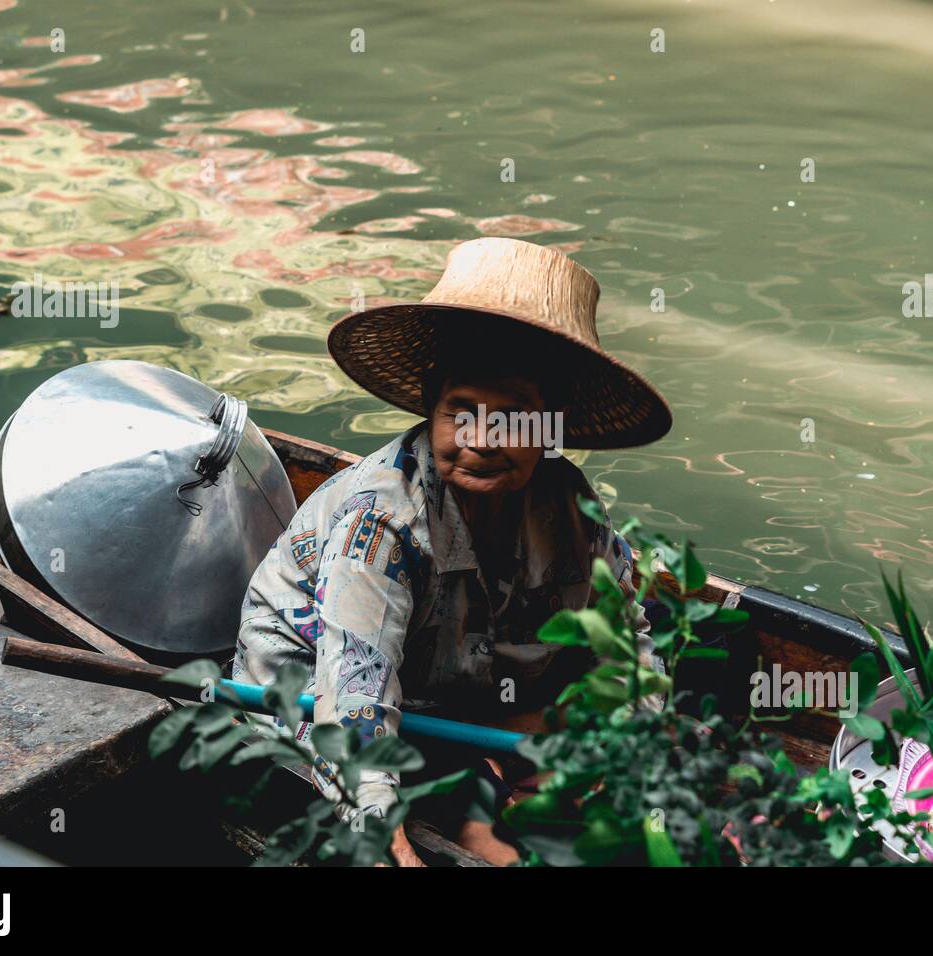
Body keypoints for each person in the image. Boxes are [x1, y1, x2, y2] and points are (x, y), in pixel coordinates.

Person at [234, 237, 672, 865]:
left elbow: (627, 648)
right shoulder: (382, 520)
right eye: (461, 412)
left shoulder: (570, 506)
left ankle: (494, 764)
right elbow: (355, 701)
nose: (483, 440)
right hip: (312, 682)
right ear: (432, 409)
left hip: (452, 684)